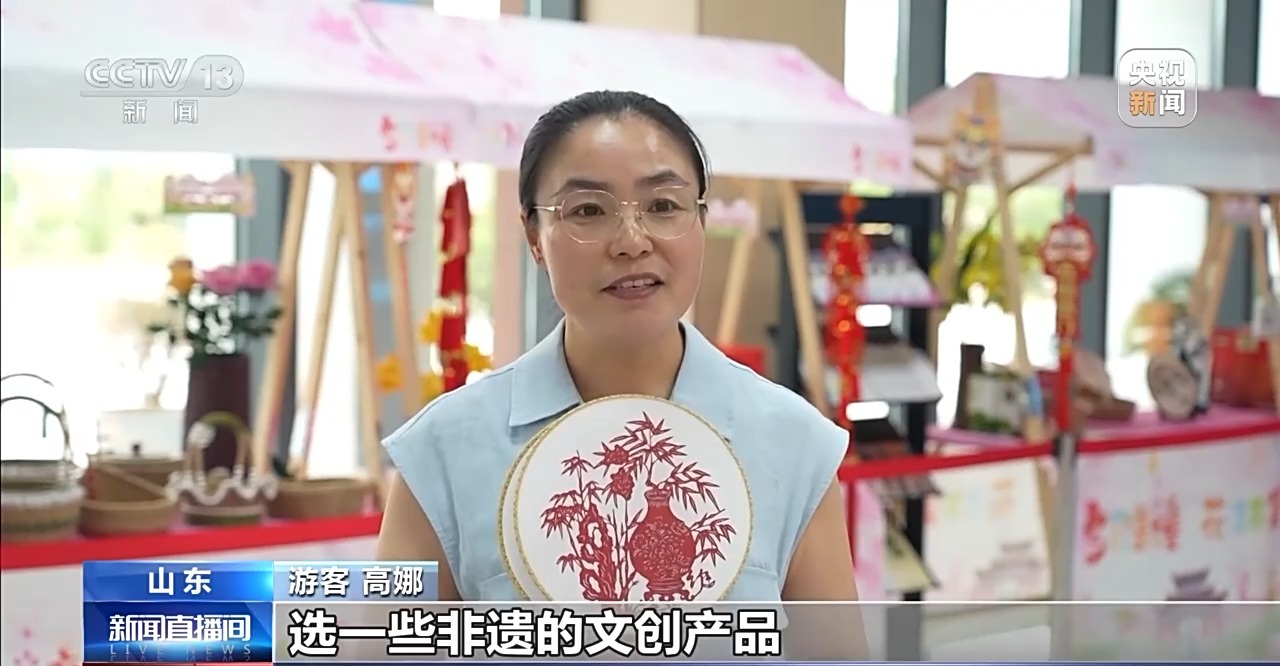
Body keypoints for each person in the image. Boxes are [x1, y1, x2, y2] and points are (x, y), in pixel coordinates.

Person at [378, 91, 865, 653]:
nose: (632, 242)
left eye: (663, 205)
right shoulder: (441, 453)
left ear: (701, 220)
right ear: (534, 236)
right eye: (588, 211)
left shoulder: (795, 445)